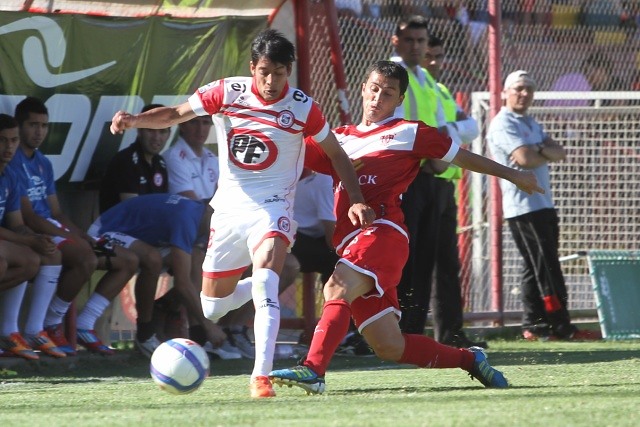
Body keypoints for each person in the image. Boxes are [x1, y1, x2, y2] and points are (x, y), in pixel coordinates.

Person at [110, 28, 374, 399]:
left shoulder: (301, 107)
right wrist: (135, 120)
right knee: (212, 306)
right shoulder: (226, 92)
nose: (270, 81)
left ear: (289, 72)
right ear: (253, 67)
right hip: (230, 210)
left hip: (273, 207)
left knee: (269, 270)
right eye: (264, 71)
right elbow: (174, 114)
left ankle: (260, 377)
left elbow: (336, 154)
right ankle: (255, 290)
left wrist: (357, 197)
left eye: (279, 73)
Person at [268, 60, 543, 395]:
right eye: (374, 89)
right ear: (363, 89)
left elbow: (463, 157)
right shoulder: (338, 139)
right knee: (389, 346)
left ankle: (312, 370)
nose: (378, 97)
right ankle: (470, 361)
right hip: (352, 242)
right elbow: (287, 152)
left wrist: (514, 175)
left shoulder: (411, 132)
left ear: (398, 100)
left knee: (336, 287)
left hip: (383, 233)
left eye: (388, 93)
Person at [9, 97, 139, 356]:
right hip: (34, 233)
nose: (39, 132)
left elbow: (56, 212)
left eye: (44, 126)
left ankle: (82, 324)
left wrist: (81, 235)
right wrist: (70, 238)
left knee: (127, 260)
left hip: (53, 229)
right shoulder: (12, 162)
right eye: (33, 125)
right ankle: (49, 325)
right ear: (20, 127)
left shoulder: (43, 162)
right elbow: (30, 218)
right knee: (85, 258)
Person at [487, 70, 601, 342]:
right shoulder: (503, 123)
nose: (524, 94)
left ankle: (534, 326)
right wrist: (541, 149)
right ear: (506, 92)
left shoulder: (529, 122)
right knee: (547, 267)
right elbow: (524, 158)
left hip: (542, 204)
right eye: (519, 88)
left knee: (533, 266)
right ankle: (562, 326)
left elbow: (559, 152)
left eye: (528, 89)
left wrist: (538, 149)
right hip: (524, 208)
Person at [407, 33, 486, 348]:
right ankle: (408, 331)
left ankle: (451, 332)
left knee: (447, 263)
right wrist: (451, 132)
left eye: (439, 55)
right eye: (430, 56)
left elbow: (470, 125)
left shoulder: (439, 90)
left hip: (445, 182)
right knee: (417, 260)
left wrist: (449, 130)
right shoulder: (409, 84)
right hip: (421, 177)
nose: (436, 62)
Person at [87, 193, 229, 358]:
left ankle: (199, 339)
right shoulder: (188, 218)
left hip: (136, 237)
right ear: (212, 210)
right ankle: (145, 333)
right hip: (103, 231)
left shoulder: (200, 215)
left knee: (196, 260)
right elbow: (182, 284)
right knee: (153, 259)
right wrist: (208, 325)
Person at [0, 113, 61, 360]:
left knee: (35, 258)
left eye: (14, 140)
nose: (9, 147)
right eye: (3, 140)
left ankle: (12, 331)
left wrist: (37, 239)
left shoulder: (10, 176)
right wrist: (27, 240)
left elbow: (16, 224)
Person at [99, 103, 171, 214]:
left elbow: (164, 206)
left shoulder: (160, 163)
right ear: (139, 130)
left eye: (162, 131)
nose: (156, 137)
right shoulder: (125, 161)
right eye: (150, 130)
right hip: (119, 229)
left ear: (169, 134)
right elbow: (134, 212)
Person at [162, 115, 218, 203]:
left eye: (205, 123)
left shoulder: (212, 158)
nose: (200, 129)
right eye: (194, 122)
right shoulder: (173, 157)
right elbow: (192, 203)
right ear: (182, 125)